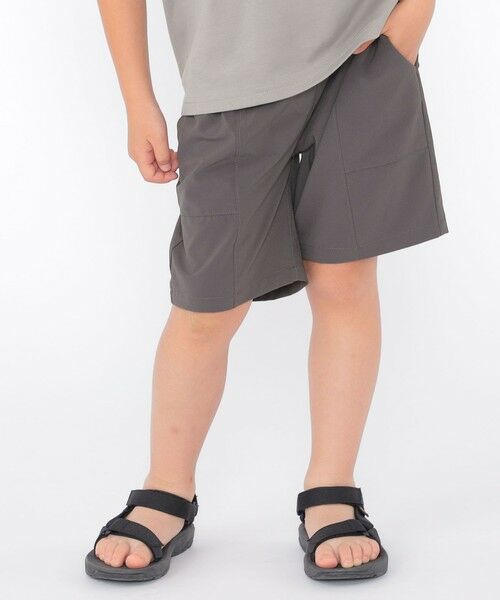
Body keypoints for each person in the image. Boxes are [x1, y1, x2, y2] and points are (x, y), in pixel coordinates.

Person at [85, 0, 447, 583]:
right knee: (206, 305)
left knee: (345, 282)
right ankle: (167, 487)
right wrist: (137, 97)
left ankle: (332, 486)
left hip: (361, 59)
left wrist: (411, 20)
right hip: (225, 77)